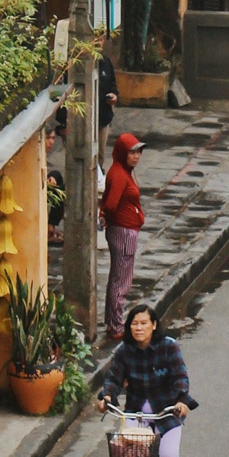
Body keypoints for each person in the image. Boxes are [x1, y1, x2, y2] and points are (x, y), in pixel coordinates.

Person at [97, 304, 194, 457]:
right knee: (124, 451)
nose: (138, 328)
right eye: (134, 323)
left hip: (167, 413)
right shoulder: (123, 351)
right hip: (136, 412)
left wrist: (181, 401)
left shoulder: (168, 347)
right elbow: (113, 379)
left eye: (143, 323)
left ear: (153, 325)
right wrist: (106, 397)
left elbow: (181, 376)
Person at [100, 132, 144, 339]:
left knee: (118, 276)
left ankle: (112, 321)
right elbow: (110, 204)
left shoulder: (124, 171)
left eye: (138, 152)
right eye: (132, 152)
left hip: (125, 229)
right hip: (123, 231)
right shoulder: (119, 174)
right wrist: (111, 218)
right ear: (122, 153)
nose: (136, 156)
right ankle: (116, 325)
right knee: (121, 279)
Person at [98, 51, 119, 164]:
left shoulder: (106, 62)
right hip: (84, 120)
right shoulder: (78, 62)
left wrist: (114, 95)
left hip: (103, 117)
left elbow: (112, 83)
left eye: (101, 39)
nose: (99, 42)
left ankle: (100, 178)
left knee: (100, 155)